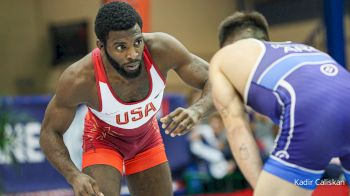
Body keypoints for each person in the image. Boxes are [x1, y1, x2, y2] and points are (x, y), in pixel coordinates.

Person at [39, 2, 214, 196]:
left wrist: (198, 110)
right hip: (103, 141)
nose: (133, 54)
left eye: (137, 42)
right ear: (101, 46)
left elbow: (214, 80)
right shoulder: (79, 78)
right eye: (121, 47)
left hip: (146, 138)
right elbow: (49, 132)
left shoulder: (162, 49)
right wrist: (74, 176)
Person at [209, 11, 350, 196]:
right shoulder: (302, 49)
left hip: (311, 112)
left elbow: (237, 128)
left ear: (226, 44)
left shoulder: (224, 56)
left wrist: (263, 189)